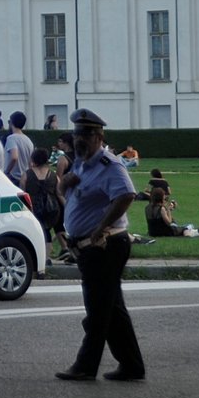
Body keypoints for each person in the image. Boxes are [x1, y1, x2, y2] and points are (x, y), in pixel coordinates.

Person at [55, 108, 144, 382]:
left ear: (99, 136)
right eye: (77, 134)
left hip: (106, 246)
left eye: (86, 135)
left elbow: (127, 195)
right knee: (111, 310)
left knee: (98, 312)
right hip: (88, 248)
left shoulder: (110, 164)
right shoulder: (81, 163)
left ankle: (85, 365)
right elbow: (74, 197)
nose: (79, 139)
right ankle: (131, 366)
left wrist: (101, 226)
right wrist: (63, 185)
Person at [22, 147, 68, 263]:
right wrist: (67, 207)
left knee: (35, 232)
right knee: (47, 231)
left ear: (34, 159)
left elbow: (22, 193)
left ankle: (36, 257)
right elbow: (59, 193)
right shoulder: (53, 175)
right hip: (51, 208)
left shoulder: (27, 175)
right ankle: (46, 258)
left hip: (33, 208)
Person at [3, 111, 34, 187]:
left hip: (14, 178)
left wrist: (6, 172)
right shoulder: (28, 140)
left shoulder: (11, 138)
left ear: (12, 122)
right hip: (25, 178)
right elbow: (31, 163)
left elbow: (14, 157)